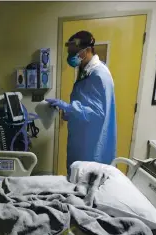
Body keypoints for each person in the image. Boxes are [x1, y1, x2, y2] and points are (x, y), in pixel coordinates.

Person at [46, 31, 116, 175]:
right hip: (83, 138)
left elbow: (97, 114)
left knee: (86, 180)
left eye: (74, 52)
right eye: (70, 52)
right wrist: (69, 113)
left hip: (91, 144)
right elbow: (87, 103)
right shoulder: (86, 71)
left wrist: (68, 107)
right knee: (77, 179)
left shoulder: (98, 74)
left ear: (87, 51)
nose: (71, 57)